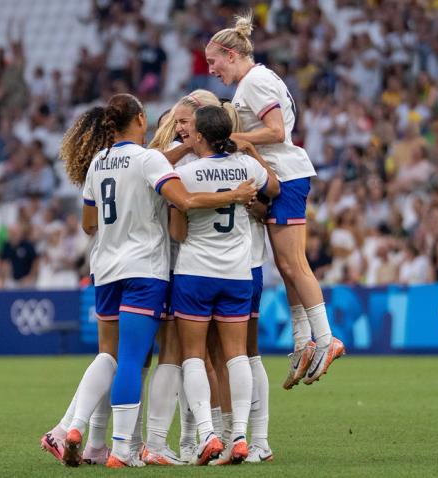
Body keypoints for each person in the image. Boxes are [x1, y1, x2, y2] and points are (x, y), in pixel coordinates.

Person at [40, 93, 257, 468]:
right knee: (132, 360)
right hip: (144, 270)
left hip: (105, 269)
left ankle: (74, 430)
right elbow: (184, 201)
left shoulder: (98, 163)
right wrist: (235, 194)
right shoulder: (150, 159)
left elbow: (88, 224)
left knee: (107, 355)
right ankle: (123, 449)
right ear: (140, 119)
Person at [205, 12, 344, 390]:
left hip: (286, 173)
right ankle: (303, 341)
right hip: (280, 173)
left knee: (294, 263)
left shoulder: (254, 82)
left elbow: (277, 131)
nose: (211, 69)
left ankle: (326, 339)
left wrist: (240, 139)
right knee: (285, 266)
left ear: (231, 54)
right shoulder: (257, 80)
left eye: (213, 61)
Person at [169, 105, 279, 465]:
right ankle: (242, 437)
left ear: (200, 135)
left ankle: (208, 434)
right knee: (237, 356)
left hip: (195, 273)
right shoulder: (246, 167)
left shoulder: (186, 172)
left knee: (194, 357)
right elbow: (274, 188)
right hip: (237, 274)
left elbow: (177, 231)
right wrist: (252, 153)